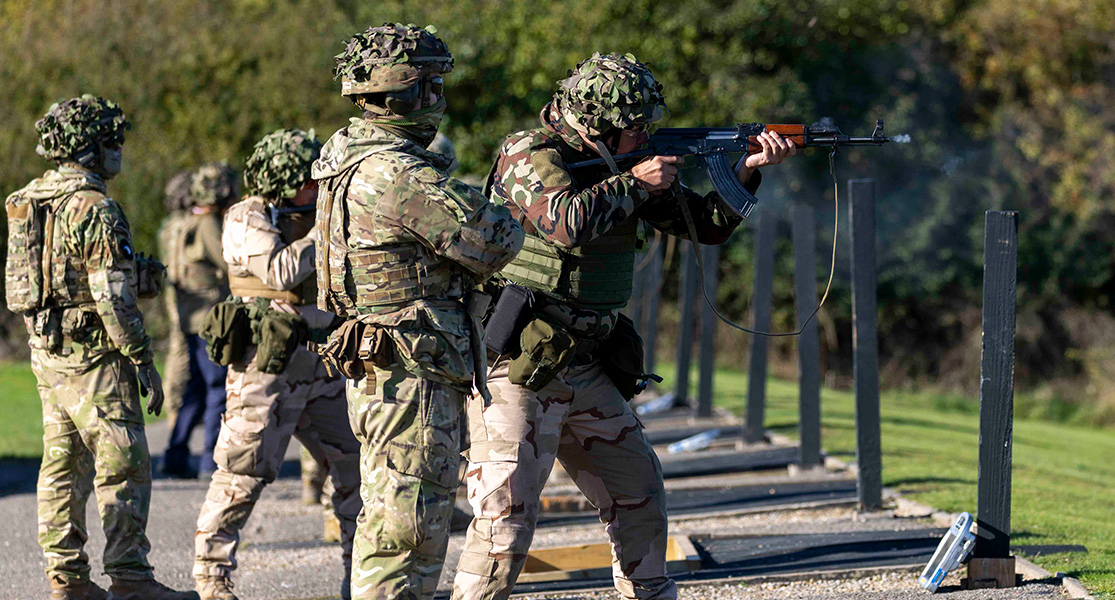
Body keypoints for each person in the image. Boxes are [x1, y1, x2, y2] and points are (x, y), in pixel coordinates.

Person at [451, 53, 797, 600]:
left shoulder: (627, 164)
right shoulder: (529, 153)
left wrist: (748, 169)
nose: (645, 139)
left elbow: (704, 226)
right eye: (635, 130)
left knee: (640, 495)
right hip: (516, 368)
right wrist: (636, 183)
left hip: (586, 365)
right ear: (597, 127)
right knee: (505, 522)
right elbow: (564, 223)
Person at [311, 23, 524, 600]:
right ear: (401, 94)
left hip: (388, 362)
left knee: (388, 518)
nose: (437, 100)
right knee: (409, 532)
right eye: (429, 87)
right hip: (413, 370)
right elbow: (492, 241)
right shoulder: (397, 172)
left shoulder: (345, 156)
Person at [4, 94, 195, 600]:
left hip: (47, 354)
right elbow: (110, 297)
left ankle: (66, 580)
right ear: (92, 147)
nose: (120, 151)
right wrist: (142, 359)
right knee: (124, 463)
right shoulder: (95, 206)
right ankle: (131, 579)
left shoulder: (29, 198)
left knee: (62, 466)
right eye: (114, 140)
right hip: (94, 358)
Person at [192, 129, 362, 600]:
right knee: (243, 471)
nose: (317, 188)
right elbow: (282, 271)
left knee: (356, 467)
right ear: (284, 181)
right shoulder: (246, 217)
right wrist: (323, 231)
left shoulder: (310, 213)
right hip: (266, 366)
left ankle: (362, 577)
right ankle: (212, 577)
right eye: (310, 181)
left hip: (323, 362)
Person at [159, 162, 235, 479]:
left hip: (190, 319)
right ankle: (209, 461)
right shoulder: (207, 224)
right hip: (210, 319)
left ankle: (175, 456)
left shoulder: (180, 223)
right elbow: (228, 260)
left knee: (194, 391)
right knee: (217, 389)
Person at [158, 169, 196, 448]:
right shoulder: (183, 225)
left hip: (178, 297)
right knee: (181, 355)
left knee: (179, 352)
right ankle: (175, 418)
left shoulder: (169, 226)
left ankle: (176, 416)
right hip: (188, 298)